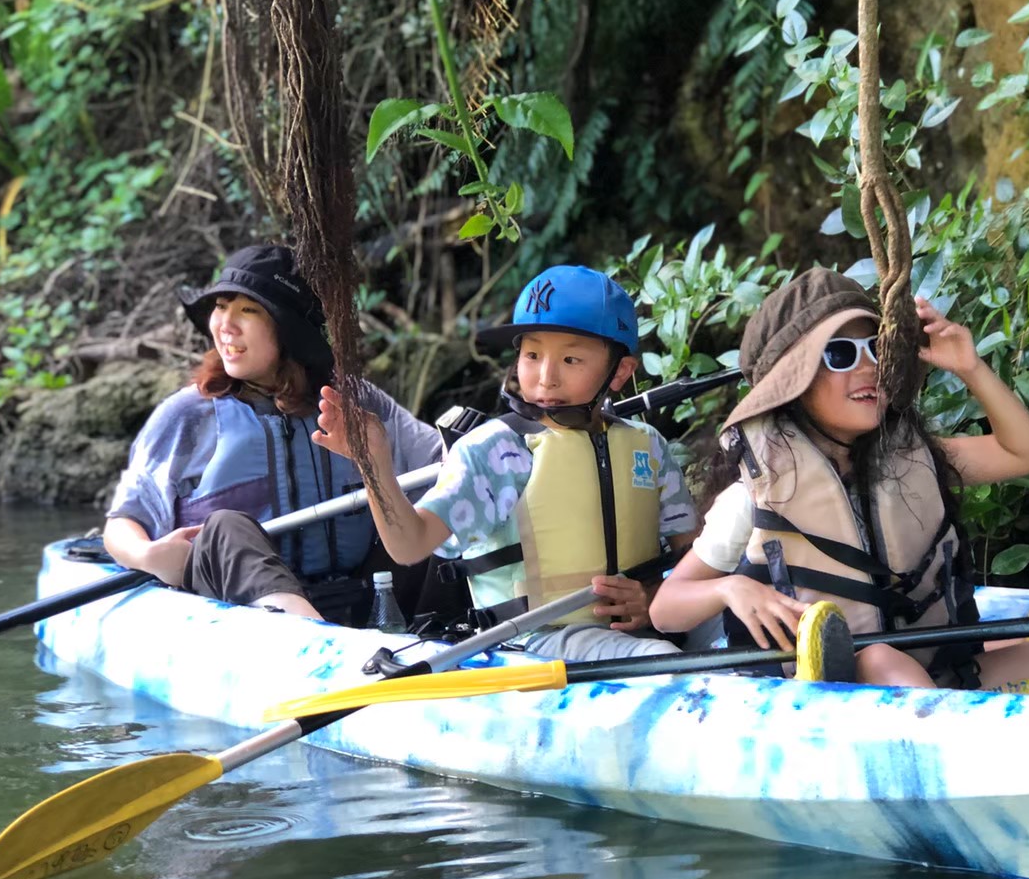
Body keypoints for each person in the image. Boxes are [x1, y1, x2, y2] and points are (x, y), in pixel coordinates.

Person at [649, 267, 1029, 694]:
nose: (867, 367)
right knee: (883, 658)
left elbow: (1027, 451)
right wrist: (731, 587)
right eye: (840, 355)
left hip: (949, 680)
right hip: (841, 698)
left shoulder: (913, 460)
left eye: (876, 350)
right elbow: (665, 607)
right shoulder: (752, 497)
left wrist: (970, 367)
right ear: (792, 386)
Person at [313, 264, 701, 662]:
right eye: (532, 354)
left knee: (730, 625)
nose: (545, 378)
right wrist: (374, 463)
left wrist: (654, 597)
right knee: (660, 655)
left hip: (644, 629)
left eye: (571, 360)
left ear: (620, 372)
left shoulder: (646, 445)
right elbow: (409, 544)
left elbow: (695, 558)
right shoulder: (499, 449)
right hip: (536, 642)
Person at [104, 244, 440, 622]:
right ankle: (307, 630)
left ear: (289, 331)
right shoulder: (188, 415)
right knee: (225, 527)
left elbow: (444, 468)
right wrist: (147, 556)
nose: (225, 324)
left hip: (358, 592)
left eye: (248, 310)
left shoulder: (356, 404)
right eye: (220, 306)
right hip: (236, 607)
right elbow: (122, 521)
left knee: (428, 530)